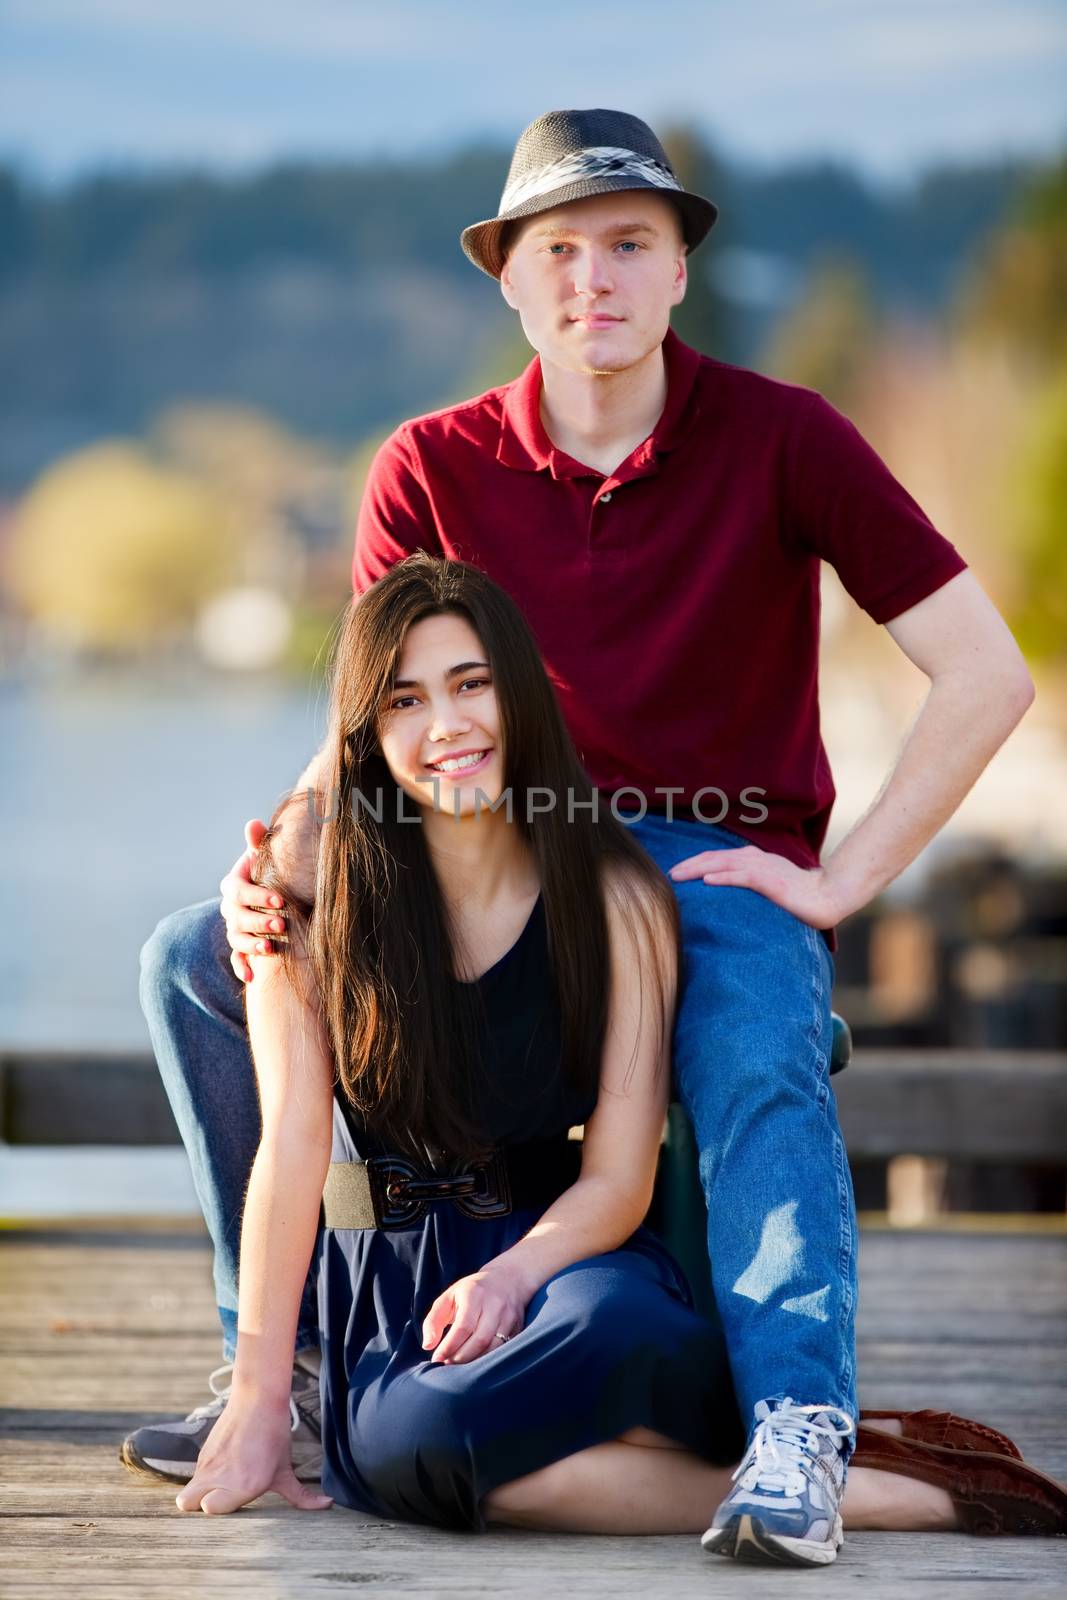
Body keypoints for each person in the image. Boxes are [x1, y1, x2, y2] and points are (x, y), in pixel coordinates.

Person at [124, 110, 1038, 1565]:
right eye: (558, 249)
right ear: (509, 279)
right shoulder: (428, 462)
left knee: (748, 998)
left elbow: (985, 674)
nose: (591, 279)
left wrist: (842, 876)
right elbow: (380, 720)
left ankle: (796, 1425)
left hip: (701, 847)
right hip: (488, 835)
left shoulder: (784, 436)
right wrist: (283, 856)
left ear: (678, 270)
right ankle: (284, 1375)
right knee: (196, 956)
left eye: (628, 245)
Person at [162, 556, 1067, 1558]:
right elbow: (289, 1153)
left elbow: (618, 1176)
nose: (447, 726)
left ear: (518, 694)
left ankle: (806, 1458)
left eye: (471, 685)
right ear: (365, 735)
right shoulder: (307, 908)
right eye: (405, 700)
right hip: (399, 1283)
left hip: (573, 1257)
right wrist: (255, 1395)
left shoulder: (617, 896)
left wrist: (516, 1277)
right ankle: (916, 1491)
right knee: (407, 1444)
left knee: (562, 1377)